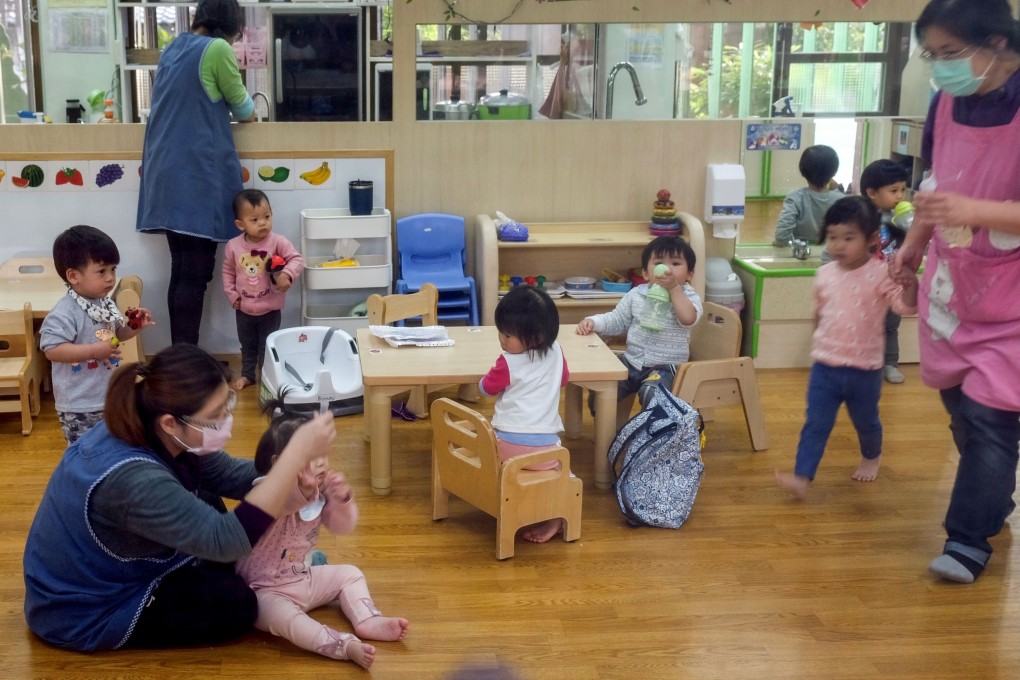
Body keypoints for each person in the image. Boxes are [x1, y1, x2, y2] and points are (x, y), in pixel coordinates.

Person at [23, 344, 336, 652]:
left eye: (226, 403)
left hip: (118, 564)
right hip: (85, 611)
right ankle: (269, 574)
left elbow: (227, 473)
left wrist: (294, 474)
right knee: (237, 604)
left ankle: (268, 571)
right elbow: (225, 539)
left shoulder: (152, 423)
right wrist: (293, 457)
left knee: (211, 502)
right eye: (215, 415)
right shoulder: (133, 479)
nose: (226, 419)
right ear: (170, 422)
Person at [890, 0, 1020, 584]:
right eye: (932, 55)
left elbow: (965, 201)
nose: (940, 68)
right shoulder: (945, 101)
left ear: (996, 43)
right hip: (953, 283)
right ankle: (991, 497)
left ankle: (968, 540)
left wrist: (977, 210)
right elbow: (936, 186)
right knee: (961, 408)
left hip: (1011, 299)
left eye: (951, 54)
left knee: (993, 417)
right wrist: (914, 244)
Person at [235, 398, 409, 668]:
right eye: (311, 458)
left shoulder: (318, 490)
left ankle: (367, 619)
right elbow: (287, 503)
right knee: (290, 622)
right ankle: (342, 645)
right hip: (266, 592)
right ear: (280, 463)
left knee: (350, 573)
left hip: (303, 580)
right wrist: (303, 491)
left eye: (323, 456)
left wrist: (342, 499)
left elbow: (343, 527)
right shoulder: (266, 491)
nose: (321, 465)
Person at [776, 196, 918, 500]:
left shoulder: (882, 272)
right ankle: (803, 476)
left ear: (870, 239)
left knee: (866, 421)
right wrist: (817, 343)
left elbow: (905, 307)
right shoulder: (824, 273)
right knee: (816, 422)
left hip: (864, 369)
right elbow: (820, 312)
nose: (838, 245)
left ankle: (871, 455)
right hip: (825, 365)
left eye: (848, 238)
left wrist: (911, 284)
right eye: (832, 237)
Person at [136, 0, 255, 347]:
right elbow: (244, 108)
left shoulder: (173, 46)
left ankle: (180, 357)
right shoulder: (216, 49)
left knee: (183, 270)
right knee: (196, 273)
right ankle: (186, 363)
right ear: (231, 25)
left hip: (165, 170)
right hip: (194, 173)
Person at [39, 225, 154, 444]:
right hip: (79, 404)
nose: (110, 278)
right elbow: (52, 349)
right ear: (73, 276)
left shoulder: (104, 304)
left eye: (113, 269)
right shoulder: (65, 311)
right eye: (102, 271)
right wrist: (93, 350)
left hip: (109, 396)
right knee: (85, 453)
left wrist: (134, 327)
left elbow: (115, 336)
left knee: (112, 448)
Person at [576, 235, 702, 425]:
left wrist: (675, 289)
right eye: (659, 263)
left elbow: (688, 318)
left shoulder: (688, 296)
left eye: (675, 263)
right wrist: (594, 322)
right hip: (632, 361)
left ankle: (648, 434)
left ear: (690, 274)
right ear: (645, 273)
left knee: (653, 394)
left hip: (667, 367)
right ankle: (608, 430)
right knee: (603, 383)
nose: (666, 269)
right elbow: (617, 320)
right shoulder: (637, 294)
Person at [479, 285, 570, 543]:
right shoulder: (557, 352)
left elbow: (486, 389)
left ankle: (509, 505)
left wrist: (483, 381)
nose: (502, 340)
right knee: (566, 472)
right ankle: (555, 515)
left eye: (508, 336)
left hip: (505, 450)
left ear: (535, 337)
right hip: (547, 455)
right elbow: (564, 380)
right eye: (501, 332)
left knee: (486, 444)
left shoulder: (507, 361)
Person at [222, 189, 304, 390]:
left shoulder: (278, 242)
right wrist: (232, 295)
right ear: (241, 224)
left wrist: (286, 274)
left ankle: (268, 376)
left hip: (270, 308)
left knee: (267, 346)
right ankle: (247, 375)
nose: (263, 223)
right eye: (255, 219)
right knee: (247, 345)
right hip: (244, 308)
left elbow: (297, 259)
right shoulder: (233, 246)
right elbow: (227, 272)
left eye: (267, 217)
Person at [859, 159, 911, 385]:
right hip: (867, 282)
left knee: (891, 325)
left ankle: (890, 363)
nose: (900, 196)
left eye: (903, 190)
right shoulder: (861, 216)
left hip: (893, 281)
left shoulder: (901, 218)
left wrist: (912, 227)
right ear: (872, 192)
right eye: (893, 191)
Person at [771, 144, 845, 248]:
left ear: (802, 171)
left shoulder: (795, 197)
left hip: (801, 253)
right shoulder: (841, 199)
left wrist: (782, 243)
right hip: (831, 252)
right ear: (834, 172)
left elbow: (781, 235)